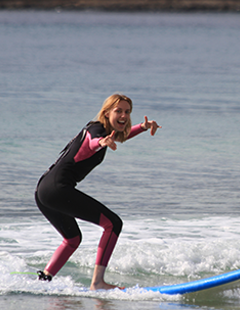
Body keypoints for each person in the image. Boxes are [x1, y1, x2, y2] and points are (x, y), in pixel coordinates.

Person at [34, 94, 161, 290]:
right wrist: (101, 144)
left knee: (73, 239)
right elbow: (94, 142)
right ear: (106, 112)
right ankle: (98, 282)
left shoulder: (104, 131)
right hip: (58, 189)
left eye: (127, 112)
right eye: (118, 111)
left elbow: (120, 136)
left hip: (44, 190)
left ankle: (44, 279)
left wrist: (142, 128)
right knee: (113, 223)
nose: (124, 115)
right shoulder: (97, 129)